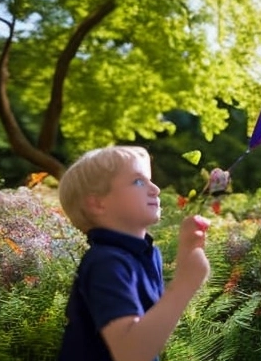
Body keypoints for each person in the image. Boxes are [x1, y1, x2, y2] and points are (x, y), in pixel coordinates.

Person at [57, 145, 210, 361]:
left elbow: (150, 332)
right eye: (138, 181)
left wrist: (187, 250)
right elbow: (131, 353)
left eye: (150, 179)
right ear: (98, 203)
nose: (155, 189)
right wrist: (184, 284)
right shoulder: (106, 263)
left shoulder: (147, 254)